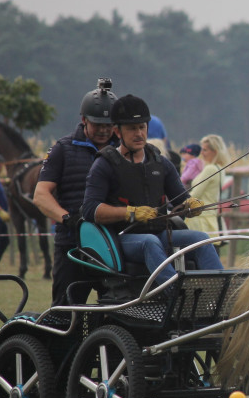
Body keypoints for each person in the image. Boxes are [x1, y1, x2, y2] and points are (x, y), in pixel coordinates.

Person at [81, 94, 222, 286]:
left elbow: (180, 198)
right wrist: (130, 213)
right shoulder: (104, 164)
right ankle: (176, 294)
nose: (139, 133)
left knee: (200, 239)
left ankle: (218, 291)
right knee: (149, 241)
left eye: (142, 127)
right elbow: (90, 210)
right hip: (120, 238)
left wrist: (190, 205)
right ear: (117, 131)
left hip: (160, 234)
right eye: (132, 128)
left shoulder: (161, 163)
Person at [33, 78, 119, 304]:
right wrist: (67, 219)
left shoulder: (123, 150)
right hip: (72, 245)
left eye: (108, 125)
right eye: (97, 124)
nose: (103, 130)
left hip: (113, 245)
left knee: (115, 311)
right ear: (83, 120)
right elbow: (41, 195)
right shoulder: (62, 148)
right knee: (66, 308)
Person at [185, 134, 228, 235]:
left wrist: (176, 204)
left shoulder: (210, 169)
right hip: (210, 219)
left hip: (200, 221)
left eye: (205, 150)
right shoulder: (220, 169)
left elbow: (195, 195)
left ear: (215, 151)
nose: (202, 153)